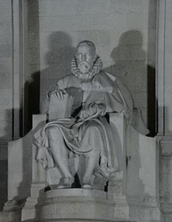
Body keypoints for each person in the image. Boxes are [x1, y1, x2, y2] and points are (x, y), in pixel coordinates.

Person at [34, 40, 144, 189]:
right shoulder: (65, 81)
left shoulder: (106, 80)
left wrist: (103, 98)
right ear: (76, 58)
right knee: (52, 130)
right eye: (80, 55)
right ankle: (67, 176)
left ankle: (87, 177)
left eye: (87, 55)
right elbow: (44, 111)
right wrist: (51, 96)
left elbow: (121, 107)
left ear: (94, 57)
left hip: (94, 121)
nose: (83, 59)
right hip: (69, 122)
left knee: (93, 130)